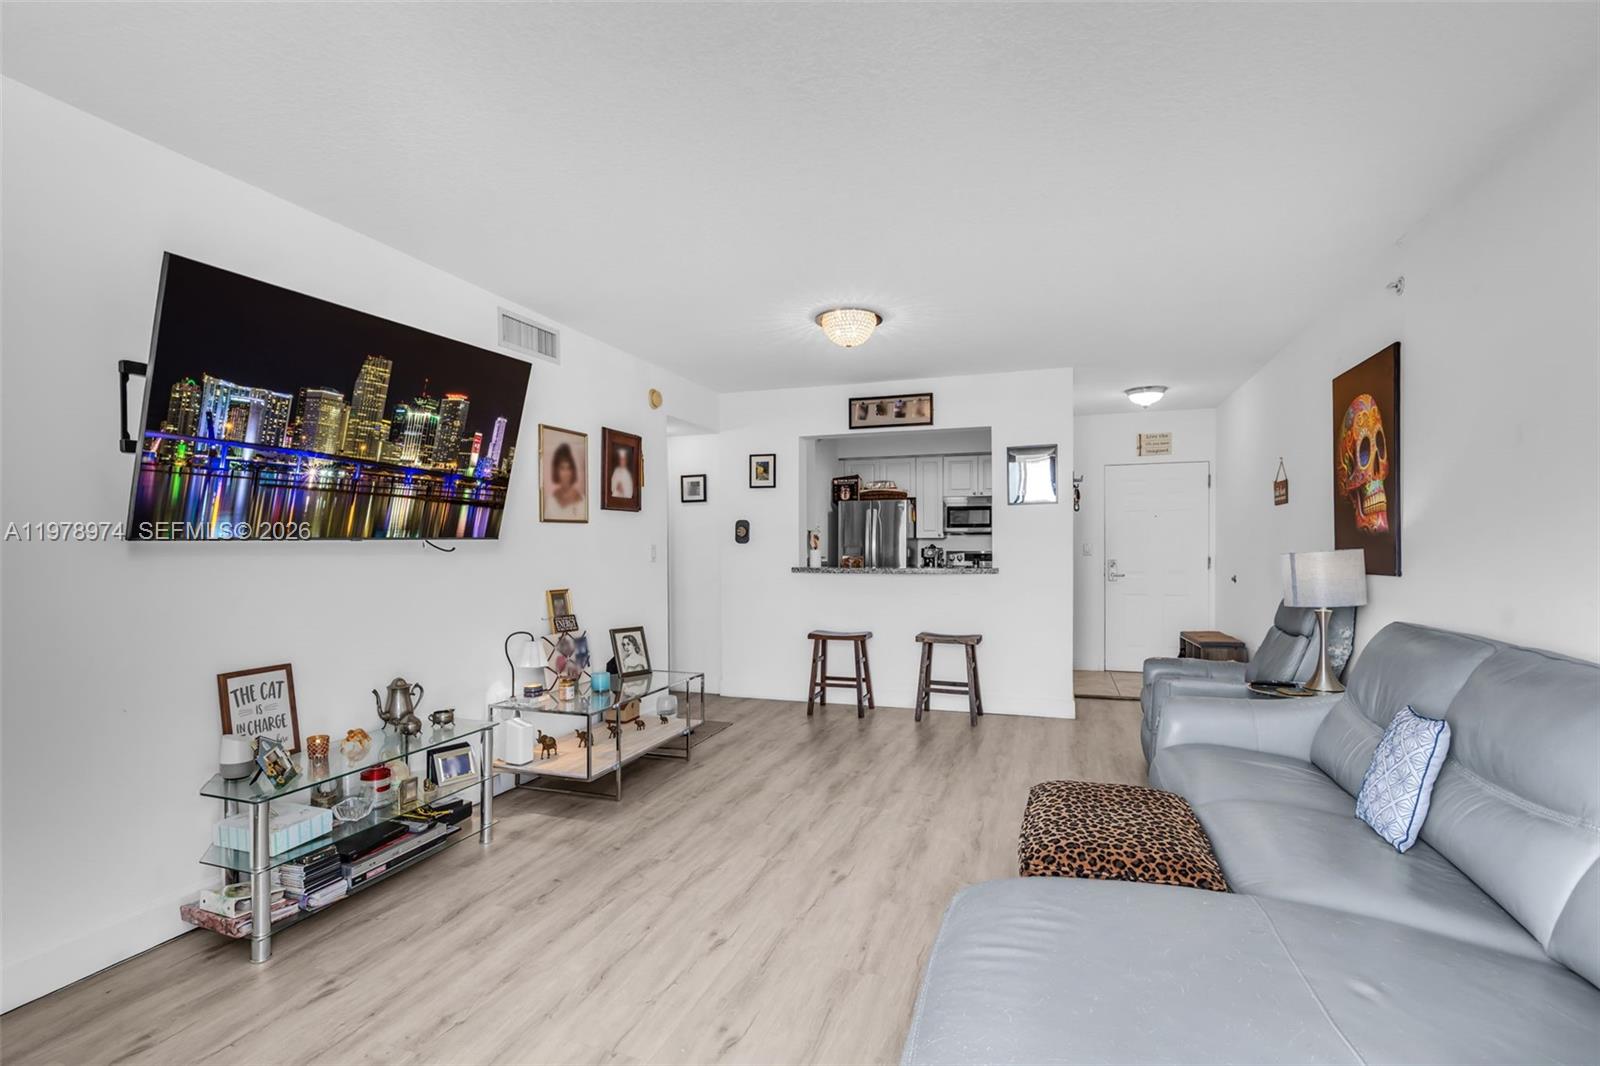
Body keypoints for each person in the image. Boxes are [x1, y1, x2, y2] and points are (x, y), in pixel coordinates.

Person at [547, 441, 584, 516]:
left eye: (569, 468)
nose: (566, 473)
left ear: (573, 471)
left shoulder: (582, 500)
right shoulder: (551, 500)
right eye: (562, 468)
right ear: (556, 471)